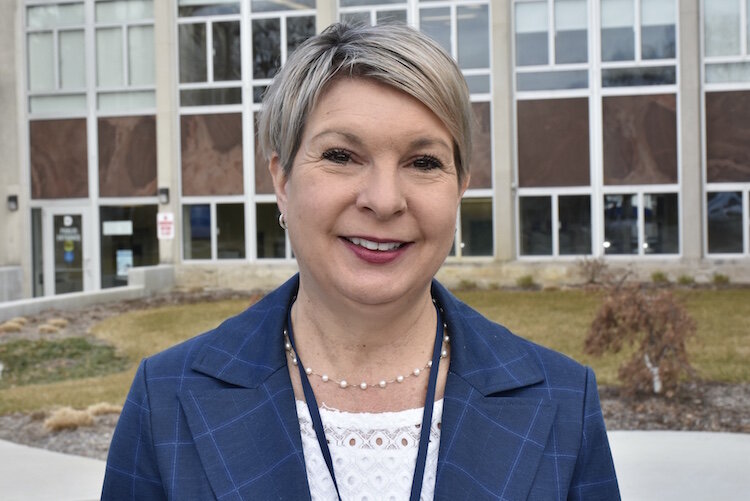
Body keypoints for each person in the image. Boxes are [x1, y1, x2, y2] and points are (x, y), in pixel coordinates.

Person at [102, 22, 619, 500]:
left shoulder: (563, 401)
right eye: (341, 156)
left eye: (423, 162)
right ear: (282, 179)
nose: (384, 200)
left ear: (460, 187)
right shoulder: (165, 398)